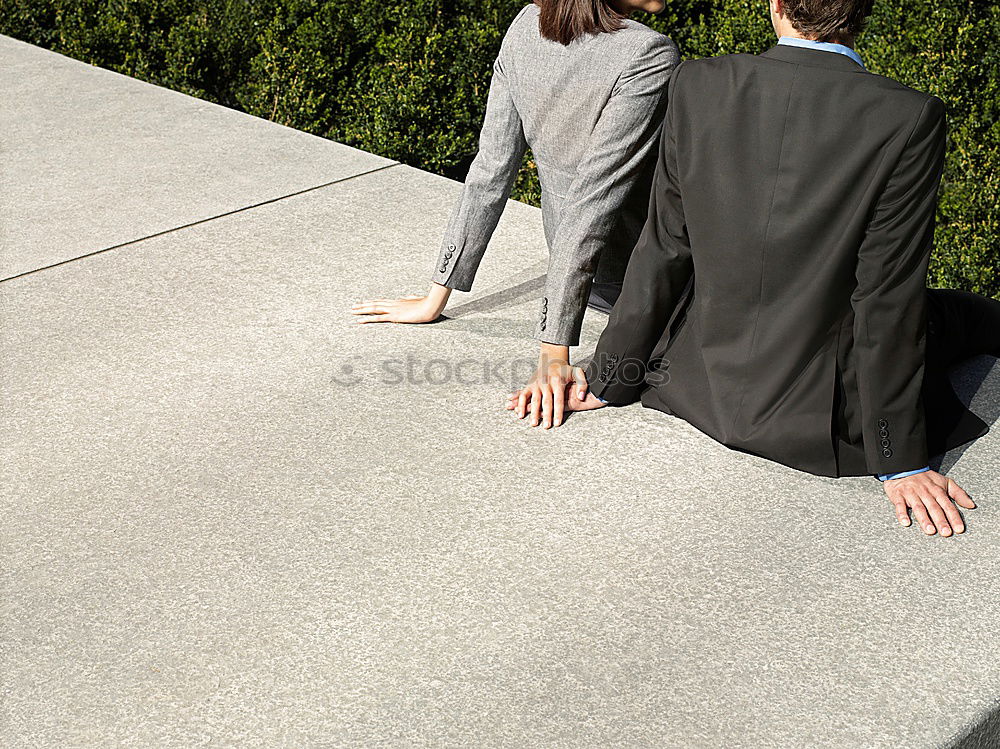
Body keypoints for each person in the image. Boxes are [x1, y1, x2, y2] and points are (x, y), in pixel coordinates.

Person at [508, 0, 1000, 537]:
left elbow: (665, 248)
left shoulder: (697, 83)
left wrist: (611, 377)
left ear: (777, 6)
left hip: (695, 386)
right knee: (968, 313)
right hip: (818, 419)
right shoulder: (907, 115)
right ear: (863, 14)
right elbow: (885, 296)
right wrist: (899, 457)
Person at [351, 0, 679, 409]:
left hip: (588, 281)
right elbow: (591, 202)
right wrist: (553, 353)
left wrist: (436, 295)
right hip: (646, 281)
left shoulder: (527, 25)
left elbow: (490, 170)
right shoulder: (649, 53)